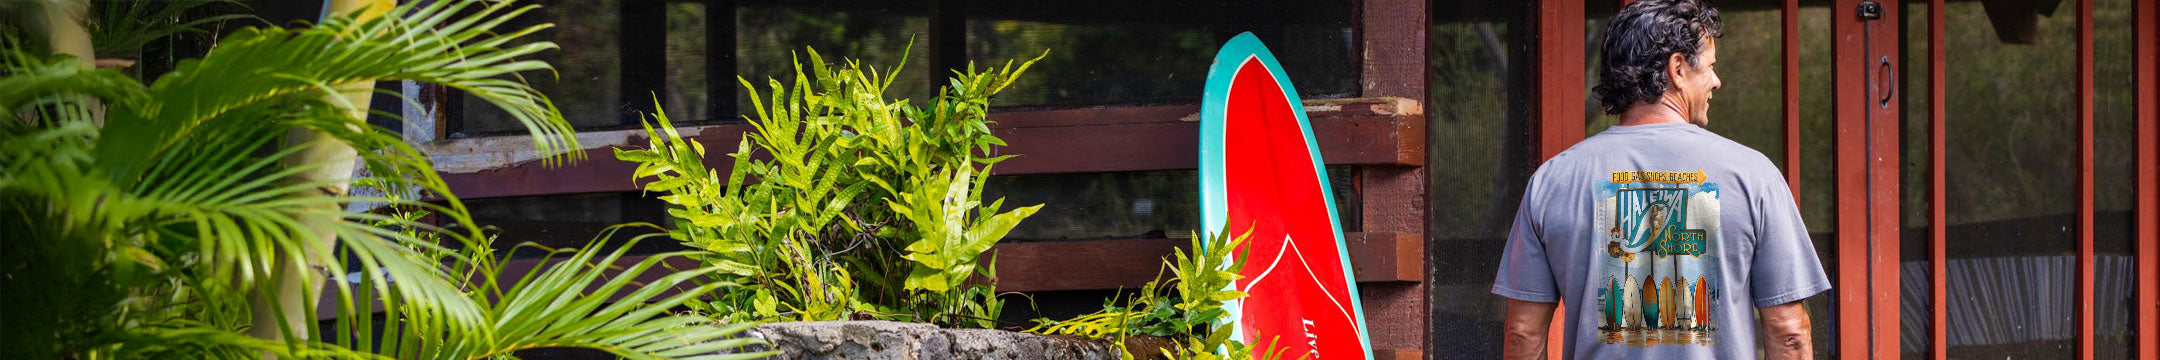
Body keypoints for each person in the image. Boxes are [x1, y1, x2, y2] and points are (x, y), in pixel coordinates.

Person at [1487, 0, 1830, 358]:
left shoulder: (1553, 182)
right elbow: (1789, 332)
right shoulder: (1754, 178)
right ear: (1678, 69)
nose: (1716, 81)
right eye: (1710, 67)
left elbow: (1523, 333)